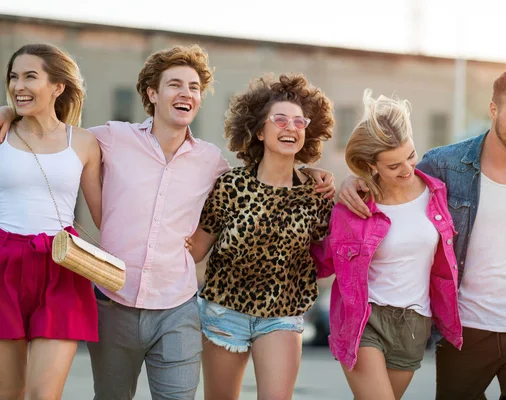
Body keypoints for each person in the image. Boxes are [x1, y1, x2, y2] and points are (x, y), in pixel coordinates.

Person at [0, 44, 335, 400]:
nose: (185, 93)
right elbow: (55, 136)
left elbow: (261, 179)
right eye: (175, 84)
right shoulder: (110, 138)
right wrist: (11, 110)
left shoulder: (211, 162)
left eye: (193, 88)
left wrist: (310, 172)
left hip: (177, 307)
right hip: (114, 300)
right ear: (152, 93)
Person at [338, 70, 506, 400]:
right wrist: (352, 180)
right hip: (464, 330)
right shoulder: (444, 164)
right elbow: (394, 183)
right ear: (493, 110)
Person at [184, 72, 334, 400]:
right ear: (260, 130)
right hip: (224, 312)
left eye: (299, 121)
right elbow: (195, 250)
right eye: (280, 120)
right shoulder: (230, 185)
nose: (291, 127)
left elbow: (332, 254)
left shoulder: (317, 194)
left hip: (282, 316)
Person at [311, 89, 462, 400]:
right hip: (365, 319)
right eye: (393, 166)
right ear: (372, 165)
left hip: (414, 323)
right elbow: (322, 262)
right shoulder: (354, 207)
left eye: (410, 156)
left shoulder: (437, 193)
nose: (406, 169)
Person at [0, 43, 102, 399]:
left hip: (61, 265)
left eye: (30, 76)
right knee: (8, 393)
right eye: (13, 77)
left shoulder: (85, 143)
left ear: (58, 86)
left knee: (43, 396)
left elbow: (104, 215)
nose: (18, 86)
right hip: (3, 263)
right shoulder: (1, 131)